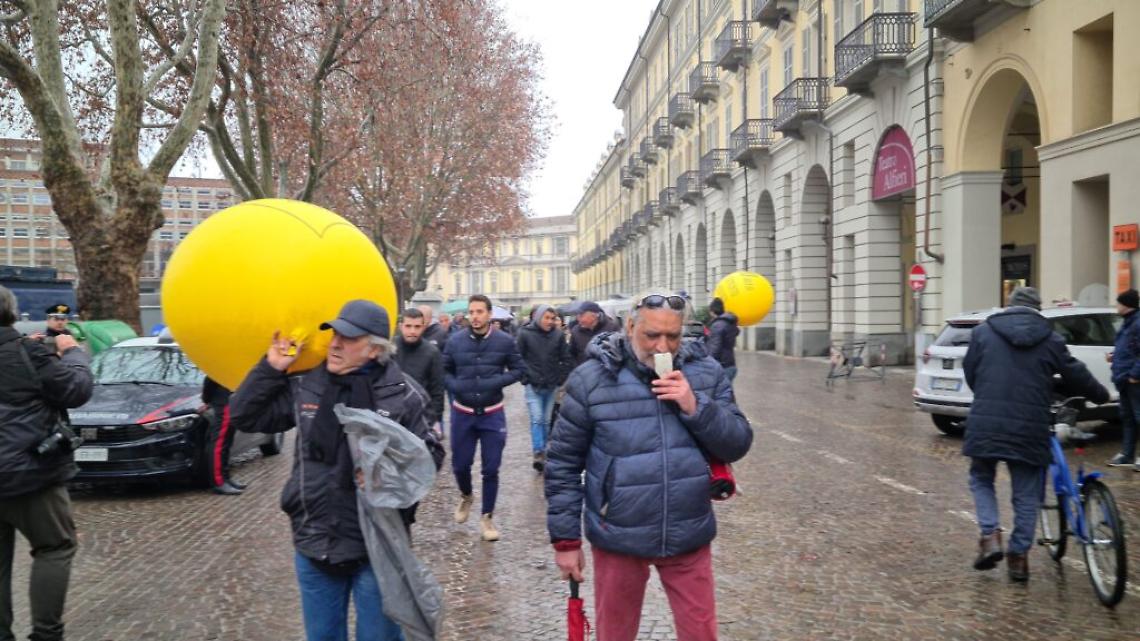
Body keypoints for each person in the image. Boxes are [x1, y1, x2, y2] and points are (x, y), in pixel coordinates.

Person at [545, 292, 753, 641]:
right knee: (615, 634)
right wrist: (566, 541)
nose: (662, 346)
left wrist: (695, 406)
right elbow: (563, 463)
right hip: (618, 533)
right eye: (652, 335)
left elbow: (737, 442)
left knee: (701, 633)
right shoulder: (591, 380)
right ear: (630, 327)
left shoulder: (705, 372)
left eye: (672, 336)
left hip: (688, 529)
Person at [229, 299, 439, 641]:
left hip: (377, 545)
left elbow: (429, 457)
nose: (336, 344)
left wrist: (386, 476)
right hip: (315, 539)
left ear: (374, 350)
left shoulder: (404, 395)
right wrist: (271, 369)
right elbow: (245, 416)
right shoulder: (308, 384)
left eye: (349, 338)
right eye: (334, 334)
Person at [963, 286, 1109, 583]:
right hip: (1029, 425)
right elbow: (1075, 373)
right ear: (1037, 310)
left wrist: (988, 394)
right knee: (1027, 494)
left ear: (1009, 305)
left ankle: (990, 536)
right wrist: (1101, 394)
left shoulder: (983, 333)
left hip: (986, 422)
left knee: (981, 478)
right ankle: (1018, 558)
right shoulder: (1050, 339)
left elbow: (971, 371)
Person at [0, 285, 93, 641]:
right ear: (11, 313)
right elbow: (77, 390)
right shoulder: (29, 354)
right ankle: (46, 634)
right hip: (31, 478)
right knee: (55, 547)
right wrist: (72, 354)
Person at [443, 294, 525, 542]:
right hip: (462, 414)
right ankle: (466, 495)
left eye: (480, 311)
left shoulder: (505, 341)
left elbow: (520, 370)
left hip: (492, 414)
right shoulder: (455, 341)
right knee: (460, 465)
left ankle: (487, 517)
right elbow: (443, 369)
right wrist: (455, 386)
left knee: (491, 468)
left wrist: (496, 382)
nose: (475, 316)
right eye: (472, 312)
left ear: (489, 315)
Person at [515, 305, 572, 472]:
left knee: (546, 421)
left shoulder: (558, 335)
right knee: (537, 418)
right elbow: (518, 357)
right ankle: (538, 451)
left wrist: (560, 378)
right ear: (538, 317)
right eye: (546, 318)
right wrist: (524, 377)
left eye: (552, 318)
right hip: (533, 385)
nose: (549, 321)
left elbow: (565, 358)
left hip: (551, 384)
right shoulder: (525, 334)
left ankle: (545, 450)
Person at [395, 308, 445, 438]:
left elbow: (437, 391)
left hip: (420, 419)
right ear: (401, 326)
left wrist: (434, 421)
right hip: (393, 415)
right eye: (408, 326)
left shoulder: (432, 353)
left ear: (423, 327)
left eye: (417, 327)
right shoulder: (390, 348)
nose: (412, 331)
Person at [1108, 289, 1140, 469]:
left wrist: (1135, 375)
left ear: (1126, 305)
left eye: (1118, 303)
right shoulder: (1128, 323)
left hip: (1133, 380)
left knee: (1138, 417)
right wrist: (1115, 356)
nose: (1116, 306)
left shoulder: (1137, 323)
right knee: (1127, 418)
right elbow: (1130, 348)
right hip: (1123, 378)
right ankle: (1127, 455)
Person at [201, 377, 246, 495]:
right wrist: (207, 400)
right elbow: (210, 379)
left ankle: (225, 478)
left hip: (231, 400)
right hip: (222, 402)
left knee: (226, 443)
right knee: (219, 445)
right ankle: (219, 482)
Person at [568, 301, 619, 366]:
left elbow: (619, 352)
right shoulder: (576, 331)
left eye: (581, 315)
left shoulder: (612, 328)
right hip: (585, 372)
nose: (578, 319)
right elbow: (571, 354)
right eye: (578, 316)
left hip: (607, 372)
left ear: (595, 315)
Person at [705, 297, 740, 382]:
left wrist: (707, 364)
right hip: (731, 364)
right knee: (727, 392)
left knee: (722, 393)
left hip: (722, 366)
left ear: (713, 311)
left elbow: (715, 347)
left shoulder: (717, 325)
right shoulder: (729, 322)